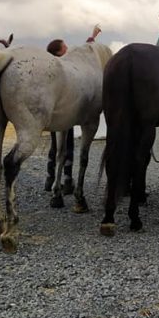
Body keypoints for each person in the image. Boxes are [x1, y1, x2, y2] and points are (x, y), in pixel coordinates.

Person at [45, 24, 102, 193]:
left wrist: (92, 36)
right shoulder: (64, 65)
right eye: (65, 47)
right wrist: (92, 37)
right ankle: (67, 179)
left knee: (55, 146)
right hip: (69, 106)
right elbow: (81, 56)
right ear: (59, 52)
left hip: (54, 111)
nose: (68, 49)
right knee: (65, 147)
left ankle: (50, 179)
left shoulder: (52, 65)